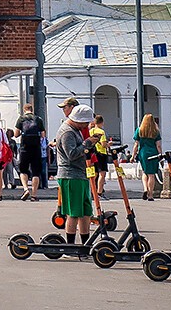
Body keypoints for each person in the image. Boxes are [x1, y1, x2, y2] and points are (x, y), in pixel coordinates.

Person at [55, 105, 95, 248]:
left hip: (80, 174)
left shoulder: (74, 130)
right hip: (71, 175)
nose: (86, 126)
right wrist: (88, 142)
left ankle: (86, 245)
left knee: (85, 212)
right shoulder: (67, 132)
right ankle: (70, 246)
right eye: (85, 123)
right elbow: (71, 154)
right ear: (79, 120)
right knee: (73, 212)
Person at [14, 104, 46, 201]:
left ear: (24, 110)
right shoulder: (38, 119)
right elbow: (43, 134)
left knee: (23, 170)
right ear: (32, 110)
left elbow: (16, 134)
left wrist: (21, 133)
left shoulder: (21, 119)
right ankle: (34, 195)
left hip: (24, 147)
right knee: (36, 172)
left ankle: (25, 189)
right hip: (36, 148)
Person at [134, 113, 162, 200]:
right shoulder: (156, 132)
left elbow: (136, 144)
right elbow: (158, 145)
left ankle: (145, 189)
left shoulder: (139, 130)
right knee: (152, 174)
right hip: (153, 153)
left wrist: (133, 155)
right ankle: (150, 195)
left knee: (145, 172)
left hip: (143, 153)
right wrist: (160, 154)